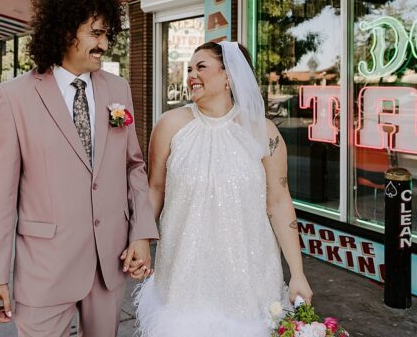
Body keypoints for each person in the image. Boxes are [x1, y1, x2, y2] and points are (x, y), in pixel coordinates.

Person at [0, 0, 158, 337]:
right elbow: (0, 195)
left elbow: (134, 167)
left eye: (107, 34)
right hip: (45, 270)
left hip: (109, 265)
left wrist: (141, 233)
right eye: (96, 33)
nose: (104, 44)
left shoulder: (117, 88)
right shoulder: (14, 97)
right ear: (64, 32)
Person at [133, 41, 312, 337]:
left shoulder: (264, 132)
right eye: (189, 68)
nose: (191, 75)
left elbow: (279, 202)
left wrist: (298, 273)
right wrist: (140, 238)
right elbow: (154, 189)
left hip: (249, 277)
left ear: (230, 76)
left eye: (200, 67)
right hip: (184, 275)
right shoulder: (170, 125)